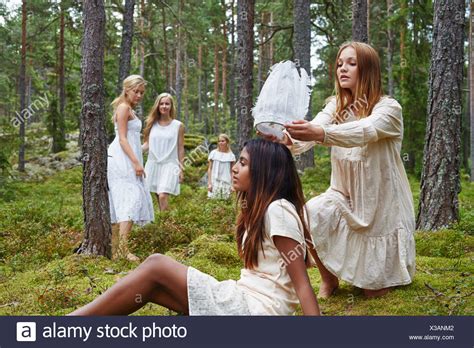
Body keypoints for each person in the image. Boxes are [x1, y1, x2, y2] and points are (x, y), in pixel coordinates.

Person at [70, 139, 320, 316]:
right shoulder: (260, 209)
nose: (234, 168)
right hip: (243, 300)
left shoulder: (278, 210)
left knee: (157, 264)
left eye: (242, 164)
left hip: (257, 310)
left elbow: (302, 284)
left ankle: (68, 326)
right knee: (152, 288)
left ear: (264, 172)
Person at [278, 42, 416, 298]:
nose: (343, 69)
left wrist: (321, 133)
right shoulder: (336, 106)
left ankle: (377, 277)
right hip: (342, 195)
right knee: (307, 215)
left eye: (351, 63)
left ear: (368, 69)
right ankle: (329, 280)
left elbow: (362, 131)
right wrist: (288, 139)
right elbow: (314, 129)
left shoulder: (389, 109)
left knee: (373, 294)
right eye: (340, 63)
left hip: (381, 205)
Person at [107, 75, 155, 262]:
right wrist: (136, 162)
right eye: (136, 91)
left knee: (126, 200)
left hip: (130, 156)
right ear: (127, 90)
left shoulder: (130, 110)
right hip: (121, 160)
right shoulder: (123, 108)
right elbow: (122, 139)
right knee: (128, 199)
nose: (139, 95)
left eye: (142, 92)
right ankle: (122, 250)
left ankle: (117, 248)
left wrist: (147, 146)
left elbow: (133, 141)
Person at [143, 93, 185, 211]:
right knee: (158, 196)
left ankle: (166, 226)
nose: (164, 106)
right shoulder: (152, 124)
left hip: (170, 165)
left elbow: (180, 148)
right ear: (158, 106)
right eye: (161, 104)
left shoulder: (178, 126)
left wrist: (181, 169)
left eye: (167, 104)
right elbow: (147, 145)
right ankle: (164, 223)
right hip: (153, 164)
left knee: (162, 196)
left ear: (171, 106)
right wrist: (131, 151)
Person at [207, 134, 236, 199]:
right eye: (219, 141)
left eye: (223, 141)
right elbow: (210, 169)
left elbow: (232, 171)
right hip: (214, 182)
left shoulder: (231, 156)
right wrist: (209, 183)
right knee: (213, 202)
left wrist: (232, 185)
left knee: (226, 202)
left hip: (226, 182)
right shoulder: (213, 153)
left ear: (227, 142)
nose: (220, 143)